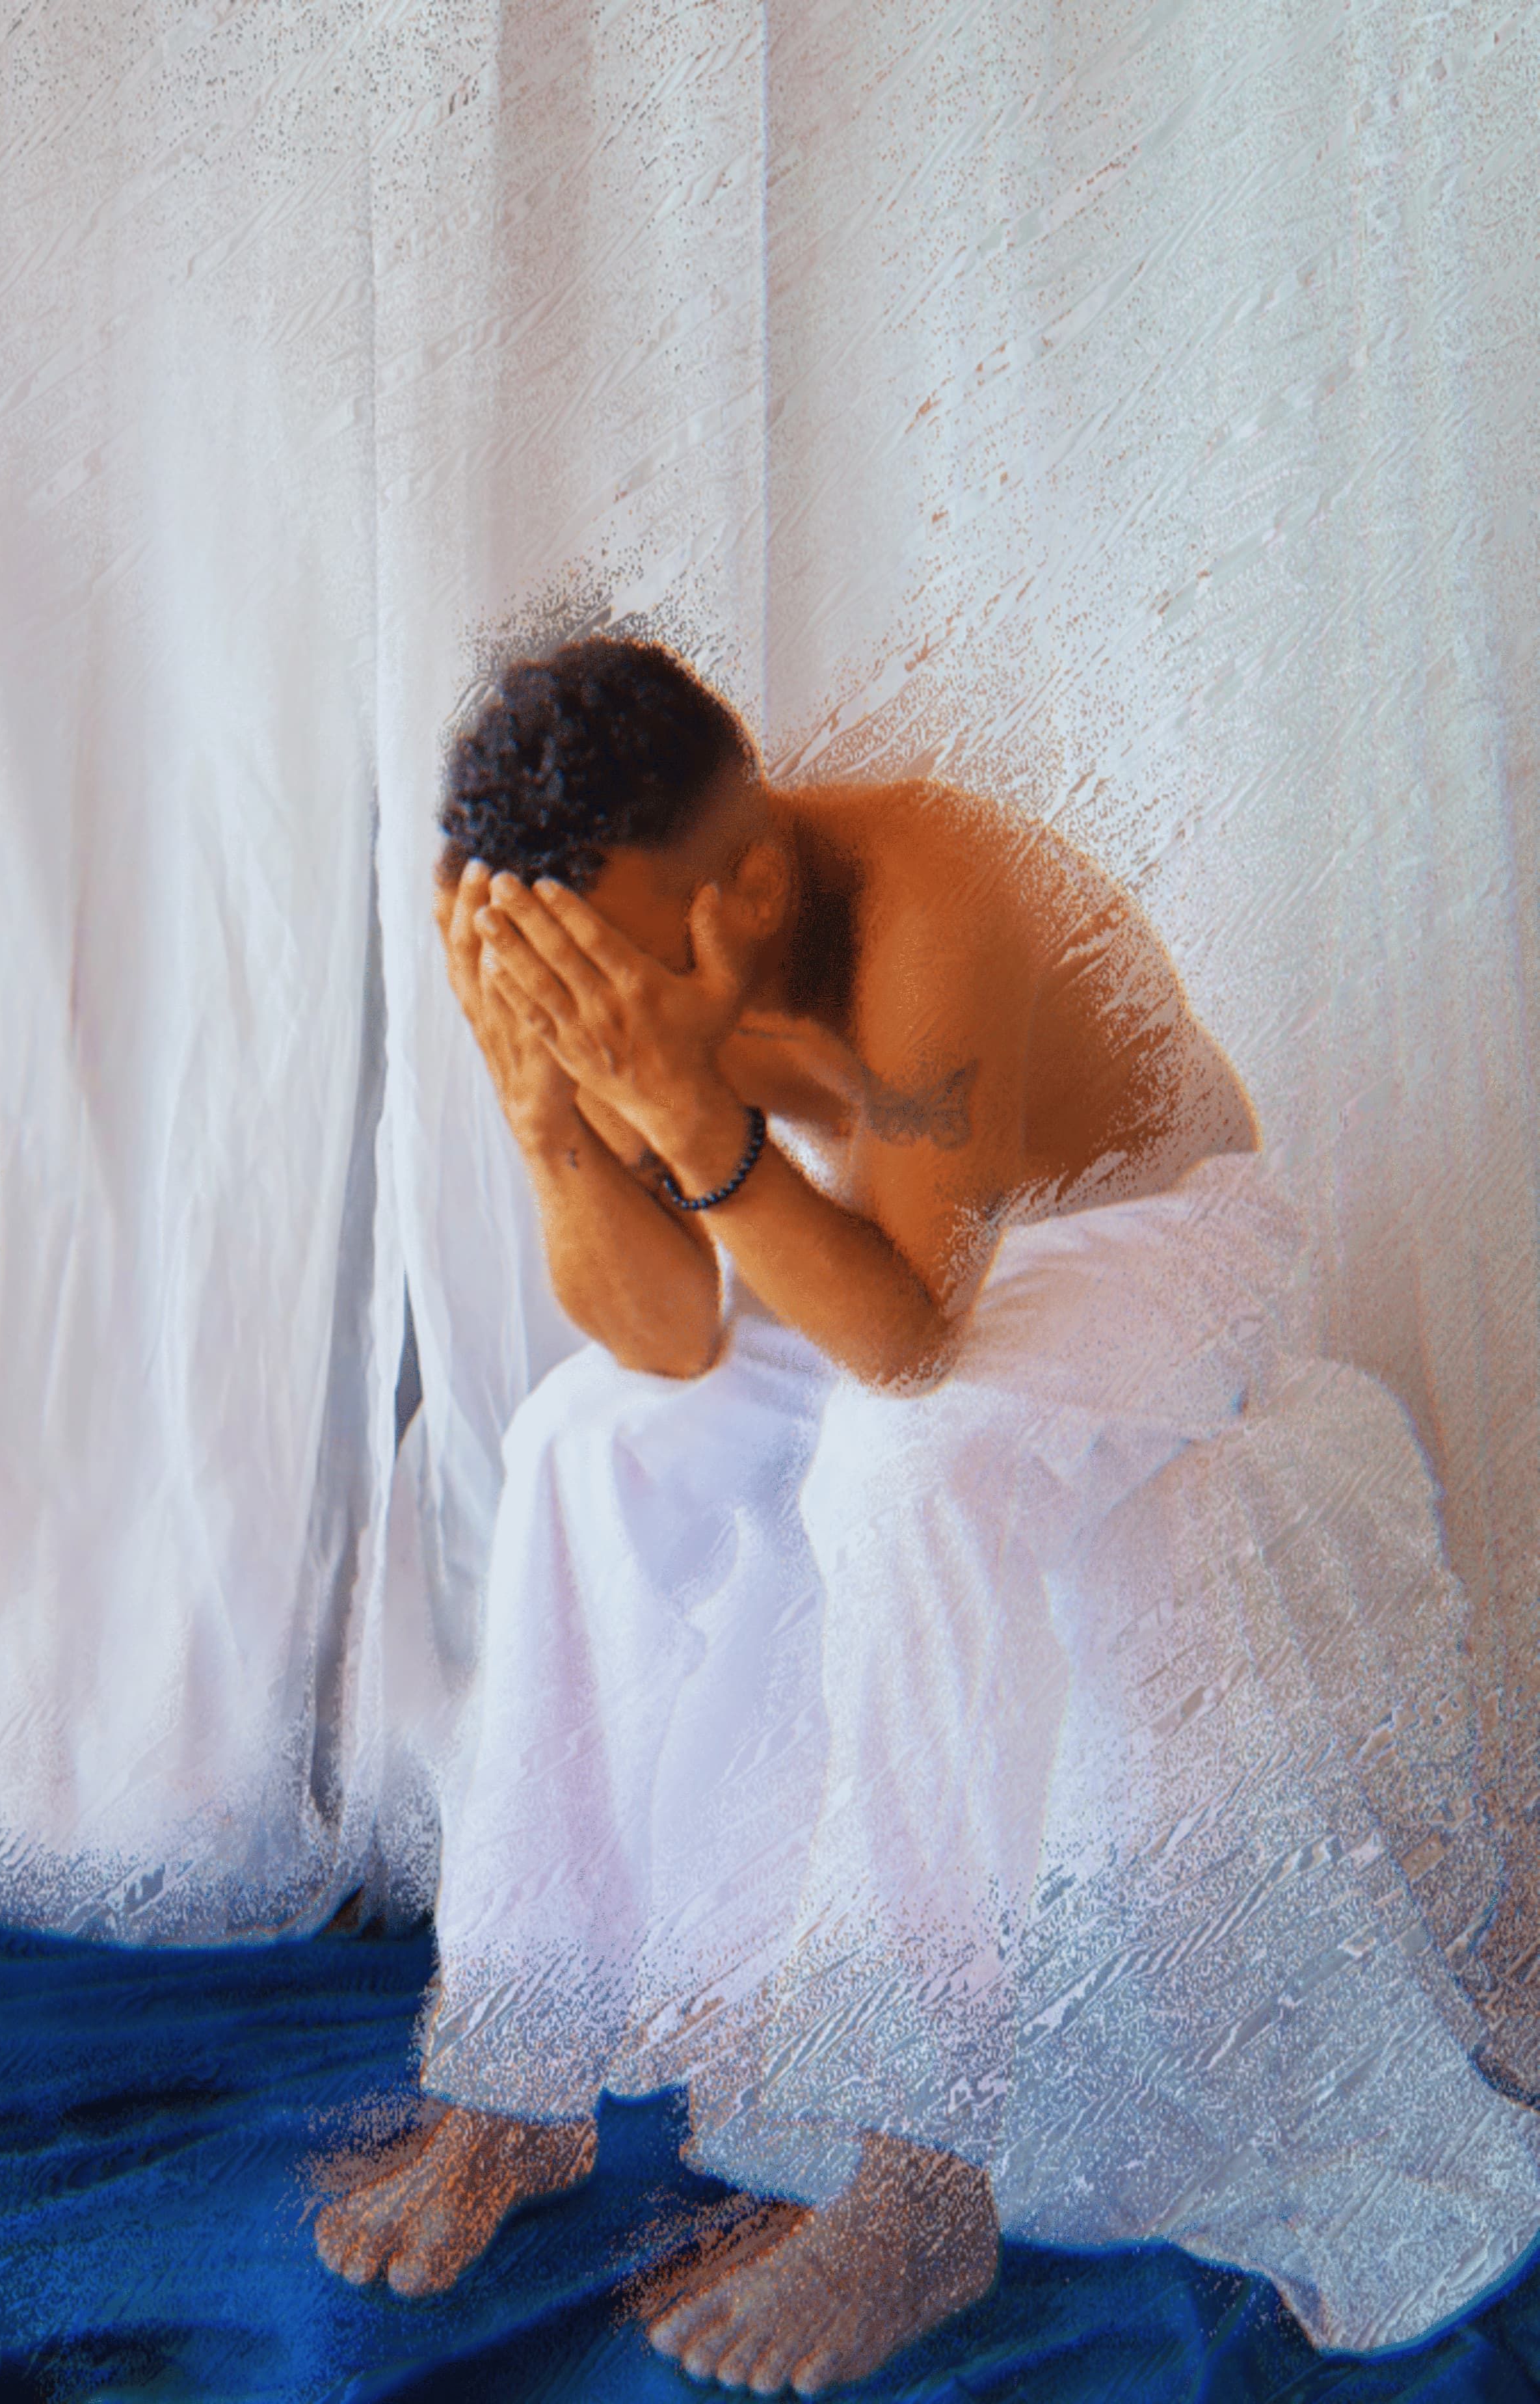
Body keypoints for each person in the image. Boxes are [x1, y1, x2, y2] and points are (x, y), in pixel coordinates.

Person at [313, 637, 1540, 2392]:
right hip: (911, 1247)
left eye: (636, 965)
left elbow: (904, 1348)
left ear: (746, 885)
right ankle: (520, 2081)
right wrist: (550, 1119)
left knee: (910, 1467)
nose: (609, 997)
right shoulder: (608, 931)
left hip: (1151, 1239)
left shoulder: (934, 897)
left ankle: (918, 2169)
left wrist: (683, 1109)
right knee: (584, 1437)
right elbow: (659, 1336)